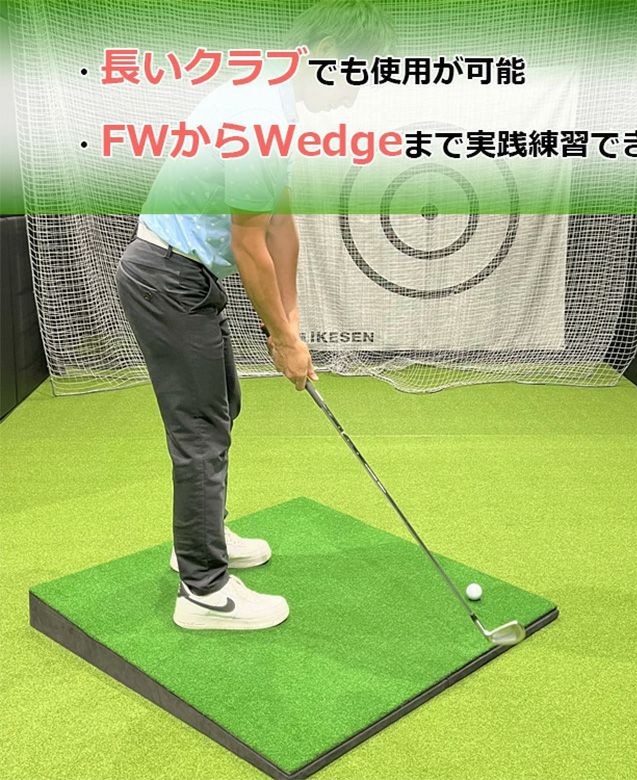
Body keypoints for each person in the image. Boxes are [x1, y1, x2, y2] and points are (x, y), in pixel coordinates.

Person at [114, 0, 395, 630]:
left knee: (222, 407)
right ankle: (204, 591)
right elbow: (248, 245)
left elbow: (280, 224)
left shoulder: (273, 103)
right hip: (168, 277)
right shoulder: (256, 112)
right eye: (357, 76)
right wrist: (283, 340)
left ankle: (204, 535)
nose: (355, 97)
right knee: (200, 433)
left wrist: (288, 321)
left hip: (186, 276)